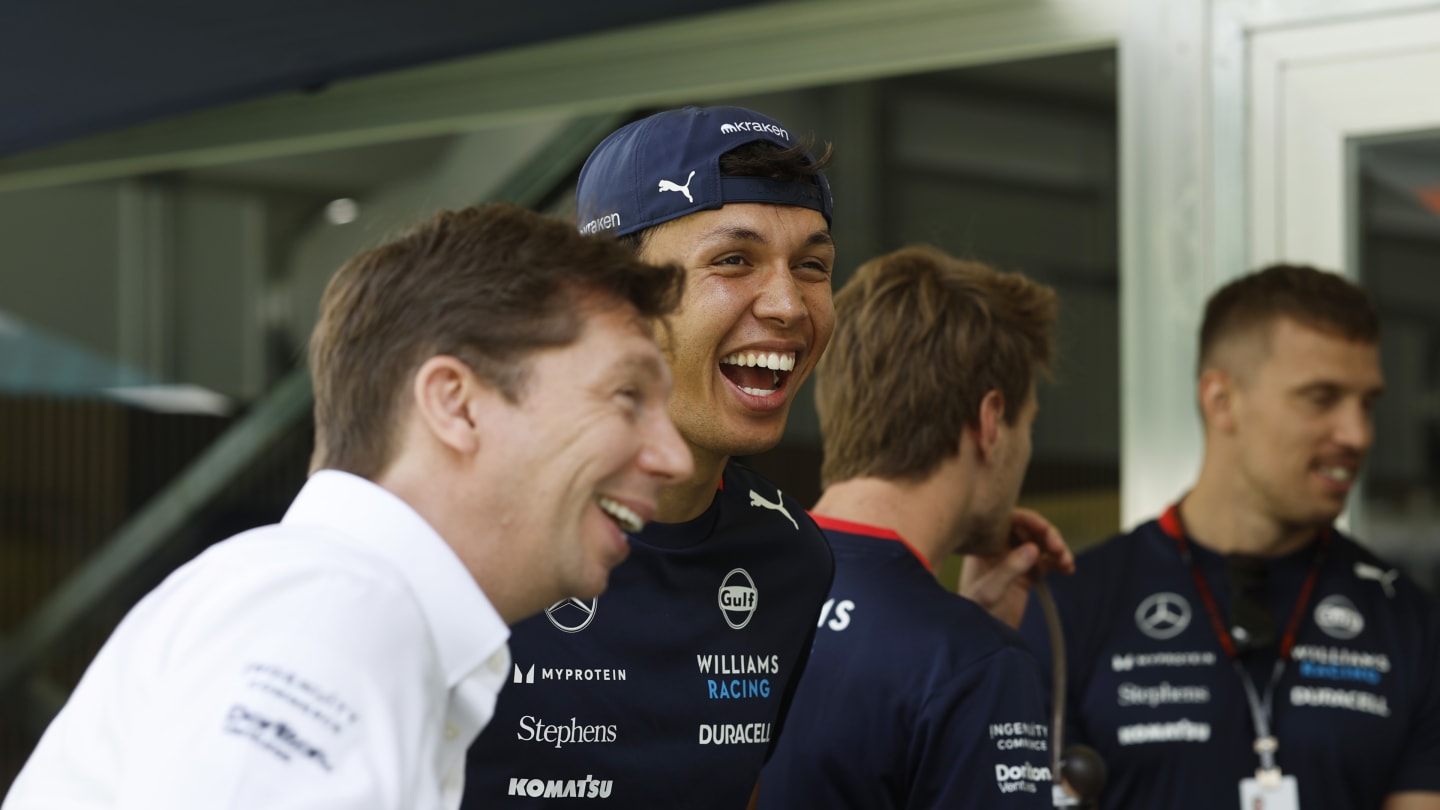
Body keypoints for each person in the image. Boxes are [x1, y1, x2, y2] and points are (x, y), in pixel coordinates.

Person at [1, 202, 693, 810]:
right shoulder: (334, 607)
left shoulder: (336, 604)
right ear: (456, 404)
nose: (674, 456)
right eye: (627, 396)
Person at [459, 104, 839, 808]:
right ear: (613, 296)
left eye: (813, 266)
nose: (789, 304)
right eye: (734, 260)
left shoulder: (792, 555)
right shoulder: (464, 534)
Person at [1019, 264, 1440, 809]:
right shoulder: (1072, 607)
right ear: (1221, 400)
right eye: (1321, 397)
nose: (1356, 434)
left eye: (1367, 404)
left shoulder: (1408, 621)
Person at [754, 245, 1062, 808]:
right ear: (991, 423)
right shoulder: (971, 665)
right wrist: (972, 651)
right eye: (1028, 425)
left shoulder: (717, 589)